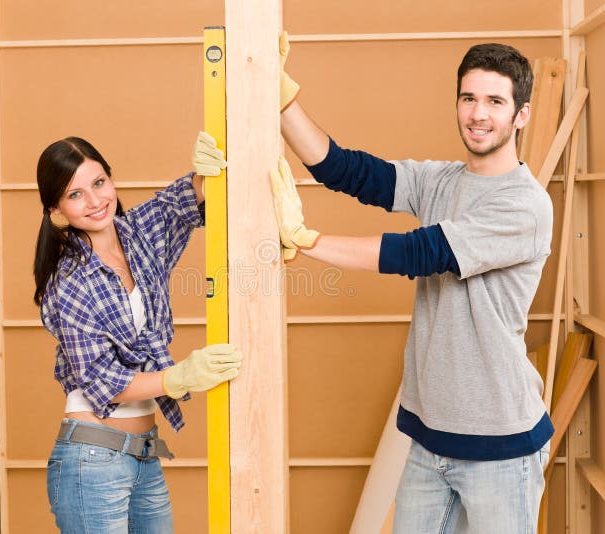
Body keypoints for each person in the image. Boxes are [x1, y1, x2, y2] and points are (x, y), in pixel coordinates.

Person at [271, 37, 553, 533]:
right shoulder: (442, 181)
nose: (478, 114)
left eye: (495, 101)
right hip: (428, 439)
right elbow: (346, 171)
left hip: (500, 444)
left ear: (521, 115)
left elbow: (421, 253)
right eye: (469, 98)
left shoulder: (526, 206)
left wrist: (306, 241)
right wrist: (281, 97)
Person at [33, 132, 242, 533]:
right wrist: (177, 377)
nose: (95, 201)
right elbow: (102, 382)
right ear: (56, 210)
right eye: (75, 195)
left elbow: (179, 204)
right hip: (91, 462)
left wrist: (205, 173)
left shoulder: (137, 235)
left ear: (111, 181)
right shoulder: (70, 282)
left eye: (98, 183)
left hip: (145, 456)